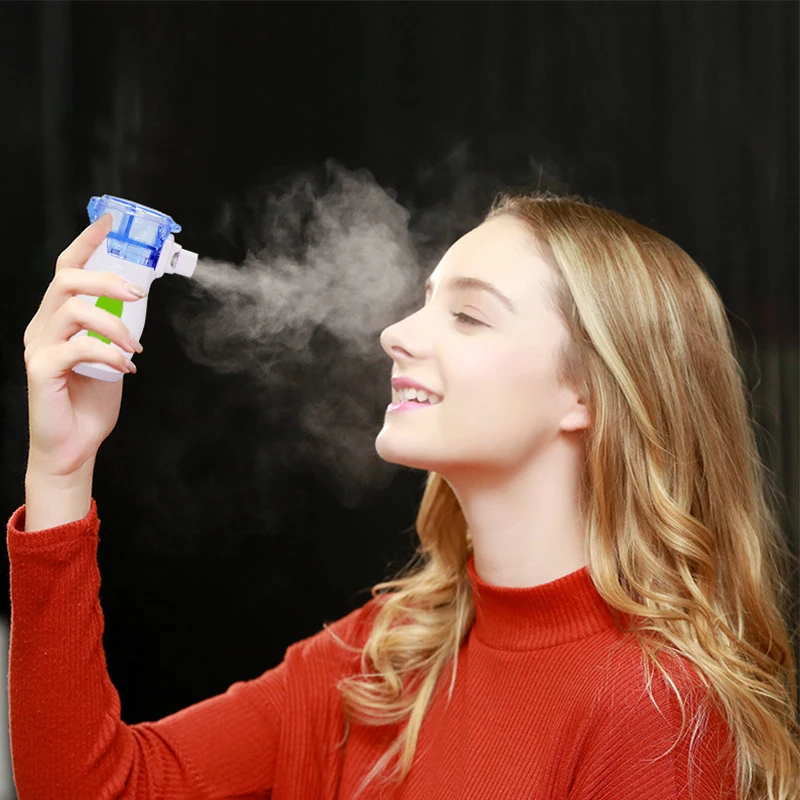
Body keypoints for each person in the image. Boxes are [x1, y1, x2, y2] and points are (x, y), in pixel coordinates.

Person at [8, 192, 799, 799]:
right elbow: (95, 788)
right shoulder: (386, 655)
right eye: (425, 301)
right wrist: (61, 471)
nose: (397, 334)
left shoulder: (658, 711)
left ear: (586, 393)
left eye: (468, 316)